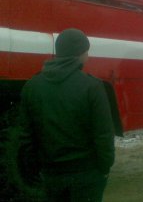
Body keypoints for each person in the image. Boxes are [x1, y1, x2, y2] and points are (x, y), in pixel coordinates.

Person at [18, 28, 115, 202]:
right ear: (80, 54)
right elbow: (103, 134)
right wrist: (105, 167)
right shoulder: (92, 87)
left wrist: (34, 170)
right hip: (87, 175)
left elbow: (27, 137)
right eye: (87, 51)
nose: (88, 56)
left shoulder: (32, 86)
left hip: (51, 175)